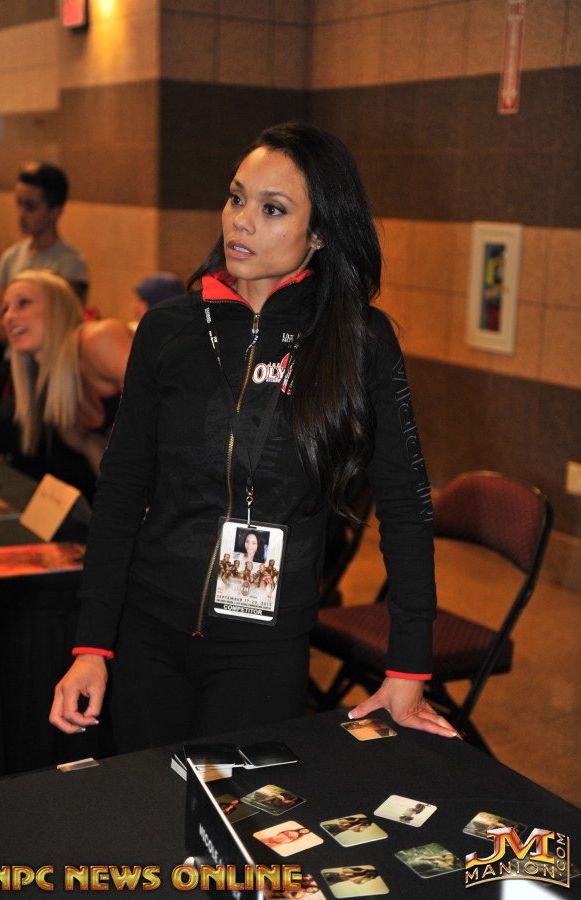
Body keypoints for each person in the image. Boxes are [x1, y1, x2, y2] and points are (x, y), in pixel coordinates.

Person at [49, 122, 458, 752]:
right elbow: (123, 488)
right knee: (150, 801)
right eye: (236, 197)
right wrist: (92, 645)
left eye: (273, 209)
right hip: (148, 624)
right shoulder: (169, 330)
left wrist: (408, 668)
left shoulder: (359, 341)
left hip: (264, 644)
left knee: (236, 809)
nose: (240, 221)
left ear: (319, 233)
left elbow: (405, 505)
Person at [2, 269, 132, 477]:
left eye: (23, 303)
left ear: (58, 308)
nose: (8, 316)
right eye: (5, 309)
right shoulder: (57, 394)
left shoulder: (97, 340)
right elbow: (105, 464)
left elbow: (167, 405)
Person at [0, 162, 89, 344]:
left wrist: (12, 328)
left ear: (55, 212)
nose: (21, 214)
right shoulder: (11, 256)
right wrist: (24, 331)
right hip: (13, 358)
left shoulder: (71, 264)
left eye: (30, 207)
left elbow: (60, 326)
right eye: (19, 203)